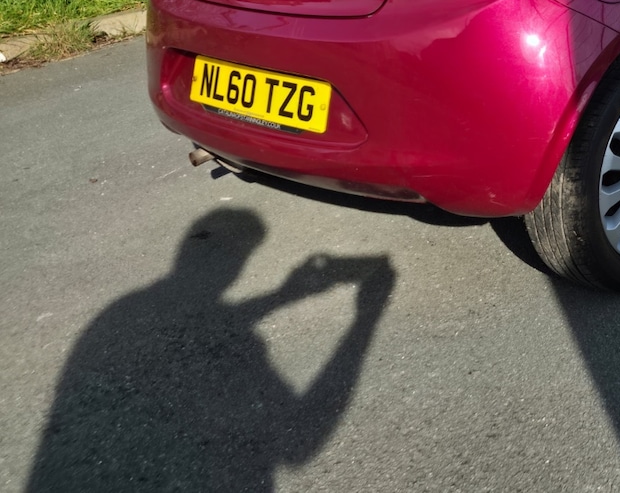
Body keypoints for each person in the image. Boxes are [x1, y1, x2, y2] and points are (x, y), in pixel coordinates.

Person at [27, 208, 393, 492]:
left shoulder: (126, 308)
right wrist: (366, 319)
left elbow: (215, 319)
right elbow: (300, 442)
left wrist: (284, 295)